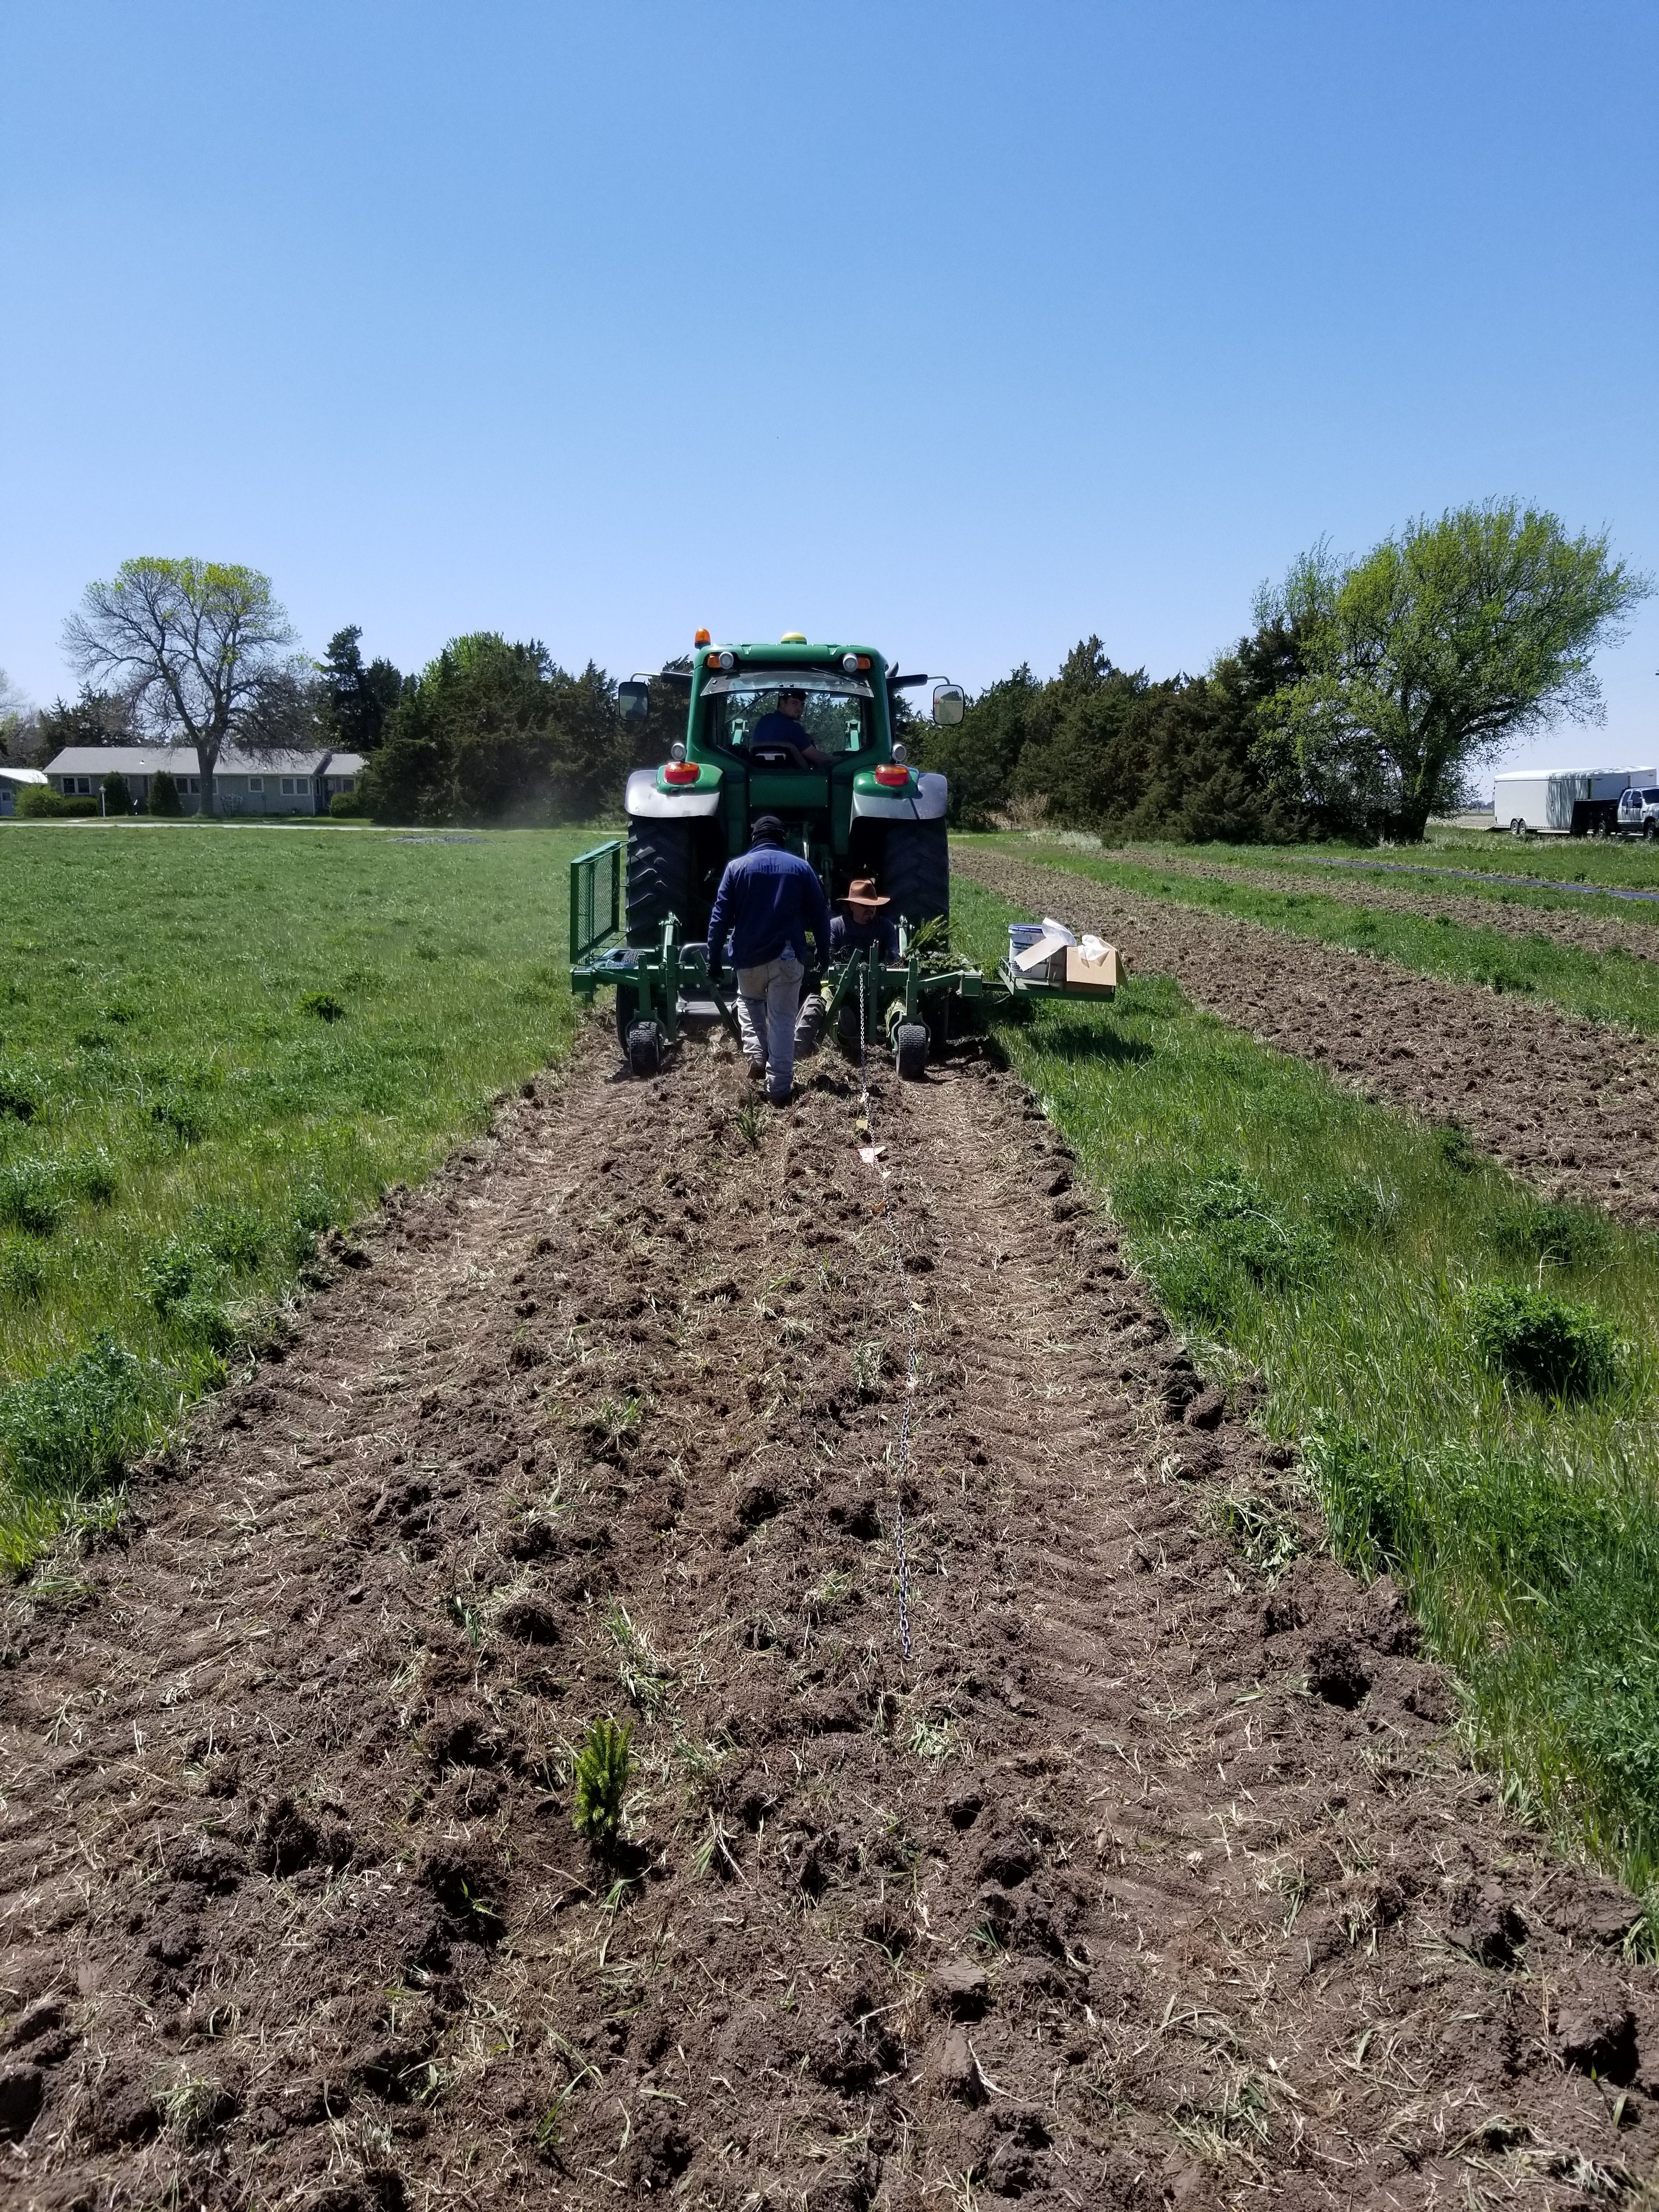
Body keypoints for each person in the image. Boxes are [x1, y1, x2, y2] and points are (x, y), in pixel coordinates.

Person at [707, 815, 832, 1104]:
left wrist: (714, 959)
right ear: (782, 838)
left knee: (749, 1003)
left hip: (748, 957)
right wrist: (824, 953)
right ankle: (778, 1090)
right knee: (783, 1019)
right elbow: (821, 916)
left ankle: (756, 1056)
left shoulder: (735, 868)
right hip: (788, 957)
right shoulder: (801, 868)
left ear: (754, 838)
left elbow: (719, 918)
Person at [747, 686, 830, 767]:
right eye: (794, 703)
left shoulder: (763, 721)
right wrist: (837, 760)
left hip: (761, 776)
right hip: (796, 779)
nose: (800, 709)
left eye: (802, 705)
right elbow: (819, 759)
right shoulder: (794, 728)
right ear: (782, 703)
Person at [830, 878, 898, 962]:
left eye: (873, 905)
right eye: (864, 905)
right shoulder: (836, 927)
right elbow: (830, 958)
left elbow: (894, 959)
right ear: (852, 906)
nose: (870, 909)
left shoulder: (886, 927)